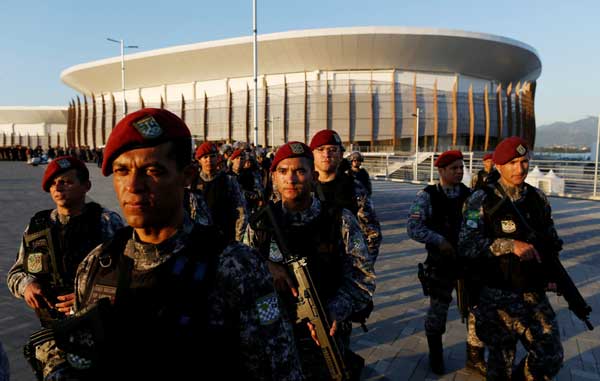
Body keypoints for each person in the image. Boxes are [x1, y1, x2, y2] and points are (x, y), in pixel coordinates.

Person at [47, 108, 303, 380]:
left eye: (152, 170)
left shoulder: (235, 266)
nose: (133, 185)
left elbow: (279, 369)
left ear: (187, 175)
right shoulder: (98, 265)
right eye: (122, 171)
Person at [247, 141, 375, 380]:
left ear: (314, 176)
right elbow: (239, 272)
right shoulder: (261, 225)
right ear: (273, 177)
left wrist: (335, 310)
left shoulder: (340, 220)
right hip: (272, 335)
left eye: (300, 171)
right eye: (283, 172)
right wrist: (266, 266)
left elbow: (363, 278)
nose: (291, 179)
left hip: (326, 331)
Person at [6, 156, 124, 380]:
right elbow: (16, 272)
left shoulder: (106, 222)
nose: (58, 187)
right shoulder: (37, 226)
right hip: (54, 334)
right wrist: (27, 285)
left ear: (86, 186)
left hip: (99, 332)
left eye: (66, 182)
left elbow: (129, 276)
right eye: (53, 183)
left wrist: (87, 297)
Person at [458, 136, 564, 381]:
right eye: (513, 162)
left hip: (532, 291)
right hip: (497, 293)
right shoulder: (479, 200)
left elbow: (551, 241)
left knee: (551, 355)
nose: (520, 168)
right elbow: (467, 245)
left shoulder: (538, 198)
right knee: (500, 362)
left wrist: (552, 273)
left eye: (524, 161)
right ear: (498, 165)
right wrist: (509, 245)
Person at [406, 150, 485, 375]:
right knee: (437, 313)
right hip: (441, 265)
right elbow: (413, 227)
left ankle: (475, 357)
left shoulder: (471, 197)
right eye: (454, 168)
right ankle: (436, 356)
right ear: (441, 171)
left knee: (476, 312)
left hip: (468, 264)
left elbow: (478, 225)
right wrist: (439, 240)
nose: (459, 172)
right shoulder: (427, 196)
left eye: (461, 168)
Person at [309, 130, 382, 267]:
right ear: (312, 154)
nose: (326, 154)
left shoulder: (354, 188)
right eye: (320, 149)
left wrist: (361, 268)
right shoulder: (301, 186)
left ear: (341, 155)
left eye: (332, 149)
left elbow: (372, 234)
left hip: (343, 269)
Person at [193, 141, 248, 242]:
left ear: (217, 158)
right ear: (199, 160)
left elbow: (241, 213)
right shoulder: (192, 183)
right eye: (205, 157)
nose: (209, 160)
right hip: (198, 242)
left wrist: (236, 242)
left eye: (212, 156)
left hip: (224, 240)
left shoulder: (229, 181)